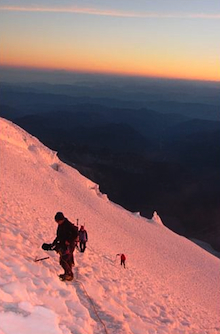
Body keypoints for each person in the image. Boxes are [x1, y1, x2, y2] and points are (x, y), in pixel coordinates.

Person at [42, 212, 78, 281]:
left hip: (70, 245)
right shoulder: (61, 225)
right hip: (64, 245)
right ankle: (68, 274)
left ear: (61, 219)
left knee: (63, 259)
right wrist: (53, 244)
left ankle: (69, 274)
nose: (57, 222)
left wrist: (69, 240)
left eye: (58, 221)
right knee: (67, 259)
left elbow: (75, 234)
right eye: (56, 221)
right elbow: (59, 236)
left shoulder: (68, 225)